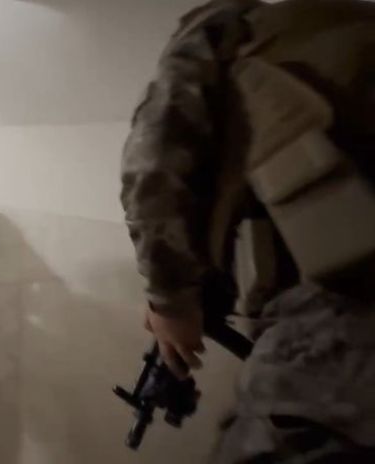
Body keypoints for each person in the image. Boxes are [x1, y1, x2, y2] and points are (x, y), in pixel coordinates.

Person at [121, 0, 375, 461]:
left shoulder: (226, 31)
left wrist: (170, 301)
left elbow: (152, 168)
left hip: (337, 322)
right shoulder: (358, 25)